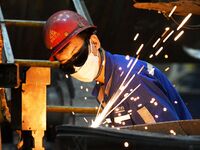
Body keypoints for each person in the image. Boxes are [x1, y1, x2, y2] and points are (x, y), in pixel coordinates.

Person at [44, 10, 192, 127]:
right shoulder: (106, 85)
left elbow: (166, 138)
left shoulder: (131, 80)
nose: (76, 67)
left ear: (94, 43)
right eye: (68, 66)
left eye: (78, 56)